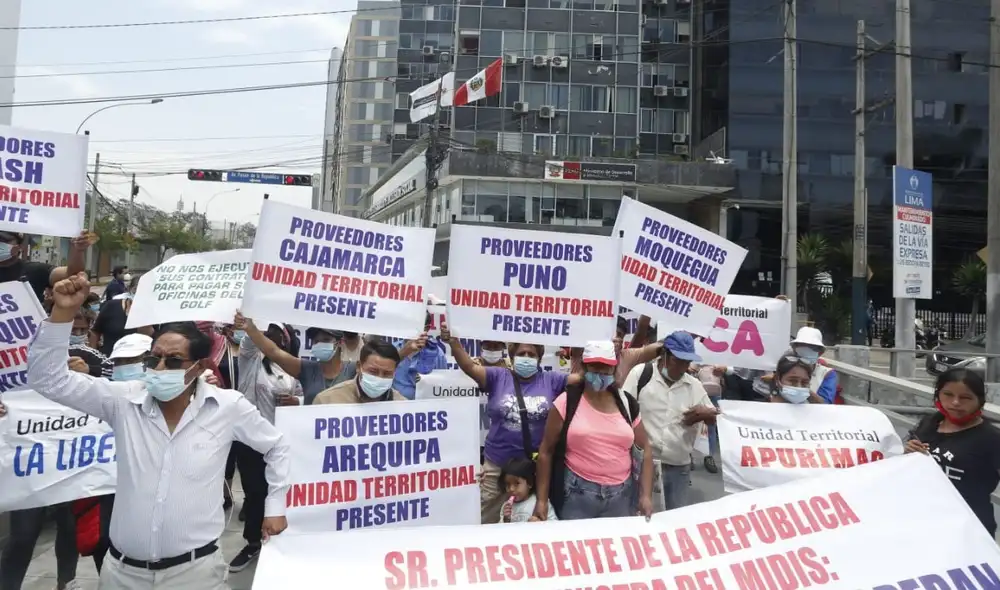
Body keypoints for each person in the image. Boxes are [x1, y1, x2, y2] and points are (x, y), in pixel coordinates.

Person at [27, 273, 291, 589]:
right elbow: (48, 380)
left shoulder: (227, 407)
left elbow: (277, 447)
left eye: (174, 361)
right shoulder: (122, 400)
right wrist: (63, 315)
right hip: (123, 574)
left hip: (196, 574)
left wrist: (274, 508)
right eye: (156, 358)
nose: (160, 368)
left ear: (199, 366)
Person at [445, 326, 583, 524]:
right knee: (485, 518)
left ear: (539, 358)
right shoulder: (498, 376)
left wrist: (597, 351)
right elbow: (470, 367)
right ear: (512, 356)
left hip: (531, 471)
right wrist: (454, 343)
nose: (526, 357)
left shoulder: (552, 380)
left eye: (531, 354)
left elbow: (581, 378)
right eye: (521, 353)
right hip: (496, 467)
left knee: (525, 519)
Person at [535, 341, 654, 521]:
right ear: (584, 366)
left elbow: (644, 449)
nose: (600, 373)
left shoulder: (627, 403)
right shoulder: (566, 402)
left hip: (621, 497)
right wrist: (542, 501)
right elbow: (546, 451)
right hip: (577, 495)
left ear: (614, 369)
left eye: (606, 368)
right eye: (594, 367)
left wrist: (645, 496)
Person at [228, 313, 303, 572]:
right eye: (264, 333)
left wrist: (297, 403)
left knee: (281, 493)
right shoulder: (251, 360)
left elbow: (306, 398)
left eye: (272, 334)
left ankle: (281, 541)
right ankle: (252, 544)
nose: (267, 337)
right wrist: (250, 324)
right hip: (250, 443)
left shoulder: (292, 368)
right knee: (255, 494)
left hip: (283, 444)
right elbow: (251, 342)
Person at [622, 331, 718, 511]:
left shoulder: (693, 385)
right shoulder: (641, 374)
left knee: (673, 521)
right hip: (641, 465)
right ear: (664, 355)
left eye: (686, 362)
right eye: (677, 361)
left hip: (678, 467)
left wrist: (705, 414)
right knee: (639, 519)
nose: (682, 368)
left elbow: (714, 417)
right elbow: (623, 413)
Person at [904, 368, 1000, 538]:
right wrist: (908, 451)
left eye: (965, 398)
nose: (955, 402)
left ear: (980, 401)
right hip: (924, 521)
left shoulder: (991, 438)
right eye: (948, 394)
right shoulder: (929, 423)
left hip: (969, 529)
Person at [236, 312, 356, 405]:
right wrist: (250, 328)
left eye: (325, 340)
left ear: (340, 342)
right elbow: (274, 352)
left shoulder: (354, 370)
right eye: (316, 341)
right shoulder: (308, 369)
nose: (319, 344)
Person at [0, 230, 90, 303]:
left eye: (4, 241)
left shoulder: (34, 270)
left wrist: (78, 250)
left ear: (20, 246)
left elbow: (73, 274)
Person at [313, 340, 405, 404]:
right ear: (358, 367)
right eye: (373, 371)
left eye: (387, 374)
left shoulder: (403, 406)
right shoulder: (327, 401)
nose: (379, 378)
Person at [393, 319, 449, 399]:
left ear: (426, 328)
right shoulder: (393, 349)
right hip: (395, 407)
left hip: (427, 407)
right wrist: (404, 352)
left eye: (415, 325)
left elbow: (442, 385)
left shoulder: (437, 353)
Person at [90, 275, 141, 356]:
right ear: (129, 289)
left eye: (144, 291)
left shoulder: (152, 313)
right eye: (136, 290)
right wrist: (92, 354)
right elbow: (95, 331)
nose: (139, 294)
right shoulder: (112, 306)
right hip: (108, 359)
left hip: (135, 362)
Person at [498, 457, 557, 523]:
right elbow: (502, 529)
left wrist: (540, 523)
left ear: (530, 483)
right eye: (508, 484)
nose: (511, 489)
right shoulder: (506, 506)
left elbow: (554, 524)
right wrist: (506, 519)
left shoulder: (539, 503)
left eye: (517, 483)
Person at [789, 327, 838, 404]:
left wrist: (803, 389)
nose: (806, 349)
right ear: (794, 349)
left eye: (812, 347)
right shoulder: (786, 367)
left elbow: (826, 403)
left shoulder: (827, 374)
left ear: (820, 353)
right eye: (802, 345)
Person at [70, 306, 114, 379]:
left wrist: (88, 369)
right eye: (73, 329)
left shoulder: (89, 352)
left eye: (83, 329)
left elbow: (113, 370)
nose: (78, 334)